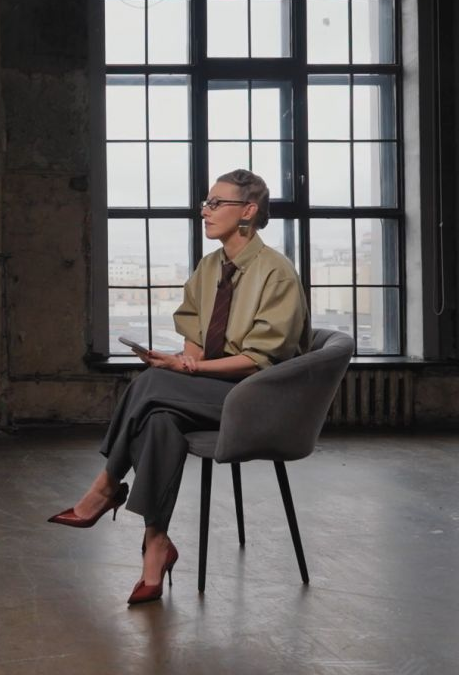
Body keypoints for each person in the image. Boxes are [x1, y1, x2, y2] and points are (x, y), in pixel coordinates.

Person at [48, 169, 309, 605]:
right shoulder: (210, 267)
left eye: (216, 204)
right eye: (205, 202)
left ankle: (106, 486)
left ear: (248, 211)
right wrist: (186, 362)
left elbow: (258, 360)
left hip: (261, 400)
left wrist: (188, 370)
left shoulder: (276, 273)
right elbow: (195, 334)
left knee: (153, 384)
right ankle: (157, 547)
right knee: (160, 419)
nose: (204, 211)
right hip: (214, 391)